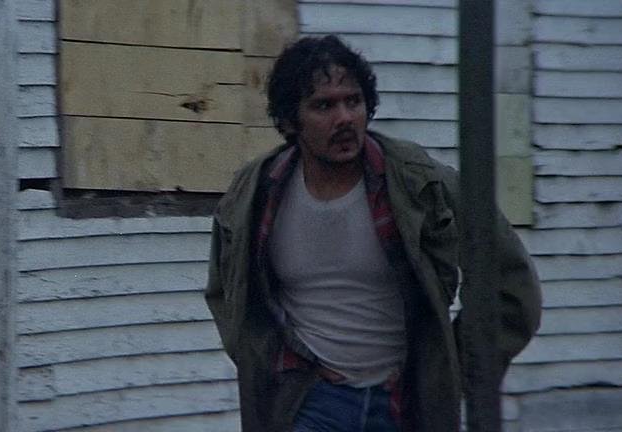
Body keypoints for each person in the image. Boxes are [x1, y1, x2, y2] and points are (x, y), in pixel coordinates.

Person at [204, 35, 542, 432]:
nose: (344, 118)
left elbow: (511, 286)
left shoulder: (421, 184)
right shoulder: (255, 195)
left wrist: (447, 370)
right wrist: (275, 363)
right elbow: (228, 296)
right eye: (324, 105)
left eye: (353, 101)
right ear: (290, 121)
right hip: (311, 404)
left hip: (403, 404)